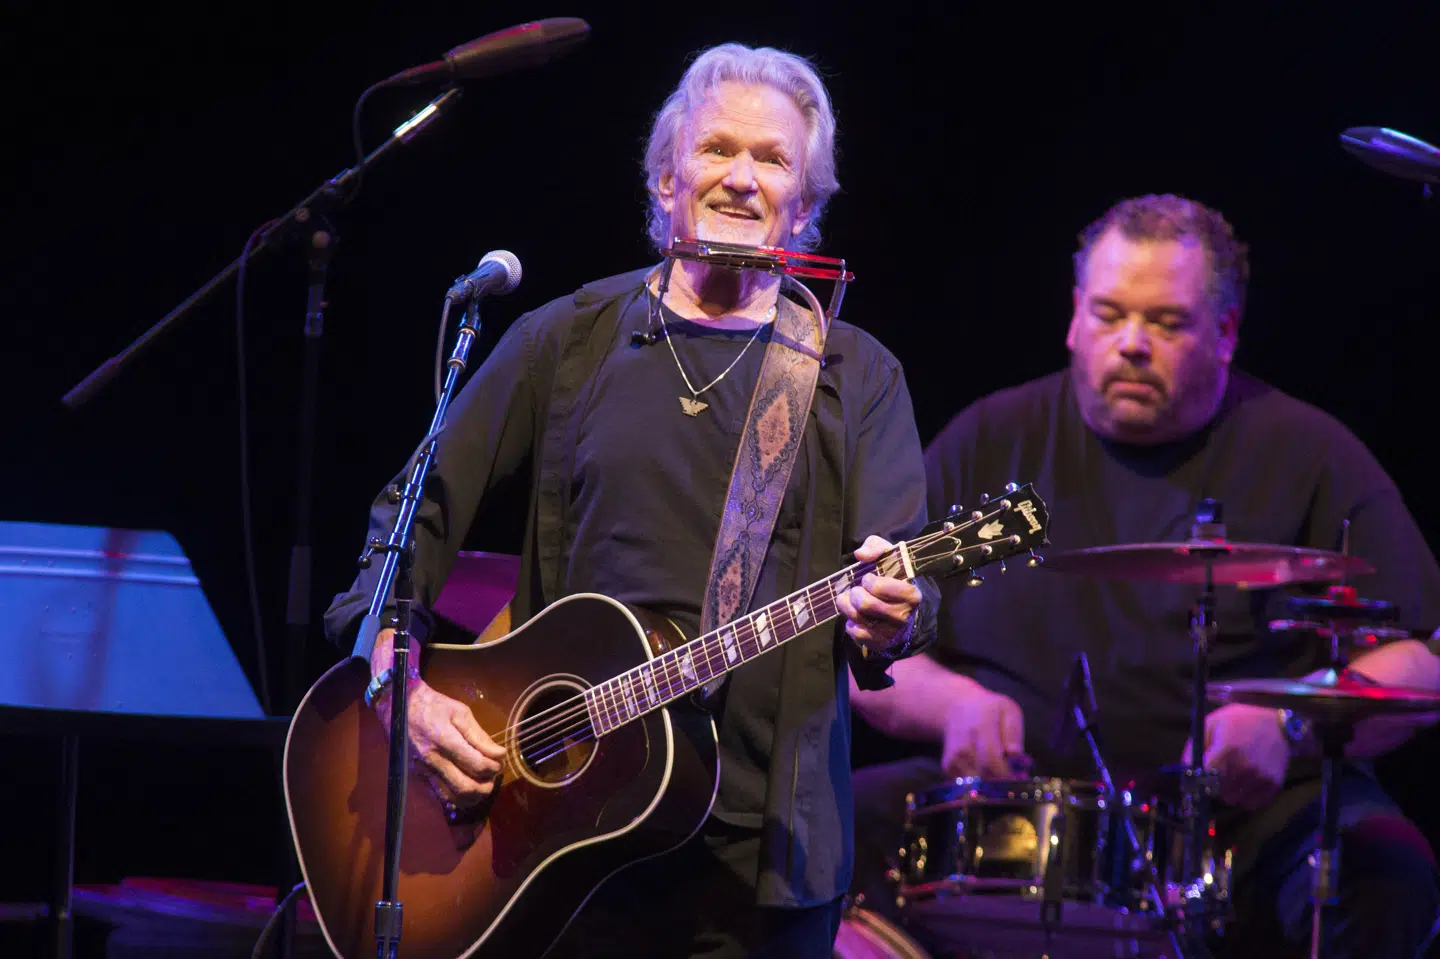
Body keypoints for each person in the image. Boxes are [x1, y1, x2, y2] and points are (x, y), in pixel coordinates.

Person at [321, 43, 940, 959]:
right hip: (543, 832)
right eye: (715, 149)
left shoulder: (859, 375)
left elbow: (905, 590)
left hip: (756, 861)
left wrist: (895, 613)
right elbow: (413, 515)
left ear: (803, 204)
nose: (739, 177)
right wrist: (394, 678)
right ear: (665, 179)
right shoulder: (566, 338)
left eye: (772, 159)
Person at [847, 194, 1440, 958]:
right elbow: (870, 646)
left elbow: (1426, 659)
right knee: (807, 827)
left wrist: (1292, 729)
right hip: (1011, 810)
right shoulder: (990, 439)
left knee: (1386, 868)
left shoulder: (1310, 452)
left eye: (1165, 322)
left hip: (1249, 819)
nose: (1130, 343)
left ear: (1225, 333)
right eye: (1107, 313)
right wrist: (952, 705)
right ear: (1071, 316)